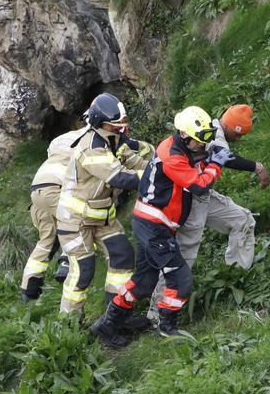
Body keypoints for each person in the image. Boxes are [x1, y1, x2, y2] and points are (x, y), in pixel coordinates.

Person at [91, 106, 230, 346]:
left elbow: (194, 160)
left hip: (149, 223)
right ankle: (167, 327)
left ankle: (106, 325)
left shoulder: (179, 146)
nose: (204, 144)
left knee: (144, 281)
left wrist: (208, 156)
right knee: (181, 279)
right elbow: (199, 185)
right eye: (201, 140)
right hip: (155, 226)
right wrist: (216, 163)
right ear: (185, 135)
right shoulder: (173, 156)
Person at [148, 104, 269, 320]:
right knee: (183, 256)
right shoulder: (214, 137)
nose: (239, 140)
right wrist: (256, 167)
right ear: (233, 128)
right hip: (189, 199)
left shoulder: (212, 129)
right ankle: (158, 312)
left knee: (242, 219)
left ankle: (236, 276)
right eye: (239, 134)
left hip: (204, 197)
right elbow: (226, 157)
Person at [56, 92, 154, 316]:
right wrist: (154, 179)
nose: (120, 130)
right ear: (101, 123)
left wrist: (162, 168)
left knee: (123, 257)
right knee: (83, 271)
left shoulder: (114, 141)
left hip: (102, 218)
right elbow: (119, 178)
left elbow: (137, 162)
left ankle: (115, 315)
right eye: (115, 126)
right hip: (75, 221)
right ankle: (69, 325)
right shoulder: (90, 147)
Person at [20, 129, 81, 302]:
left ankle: (29, 290)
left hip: (37, 190)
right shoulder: (92, 138)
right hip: (59, 186)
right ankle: (65, 262)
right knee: (79, 221)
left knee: (46, 240)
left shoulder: (59, 138)